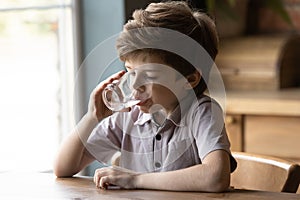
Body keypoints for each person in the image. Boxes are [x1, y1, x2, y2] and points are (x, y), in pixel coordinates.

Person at [54, 1, 236, 192]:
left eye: (149, 75)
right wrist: (92, 117)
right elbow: (63, 168)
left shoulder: (202, 113)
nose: (134, 85)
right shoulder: (128, 117)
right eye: (130, 72)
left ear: (189, 79)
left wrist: (136, 180)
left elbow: (216, 177)